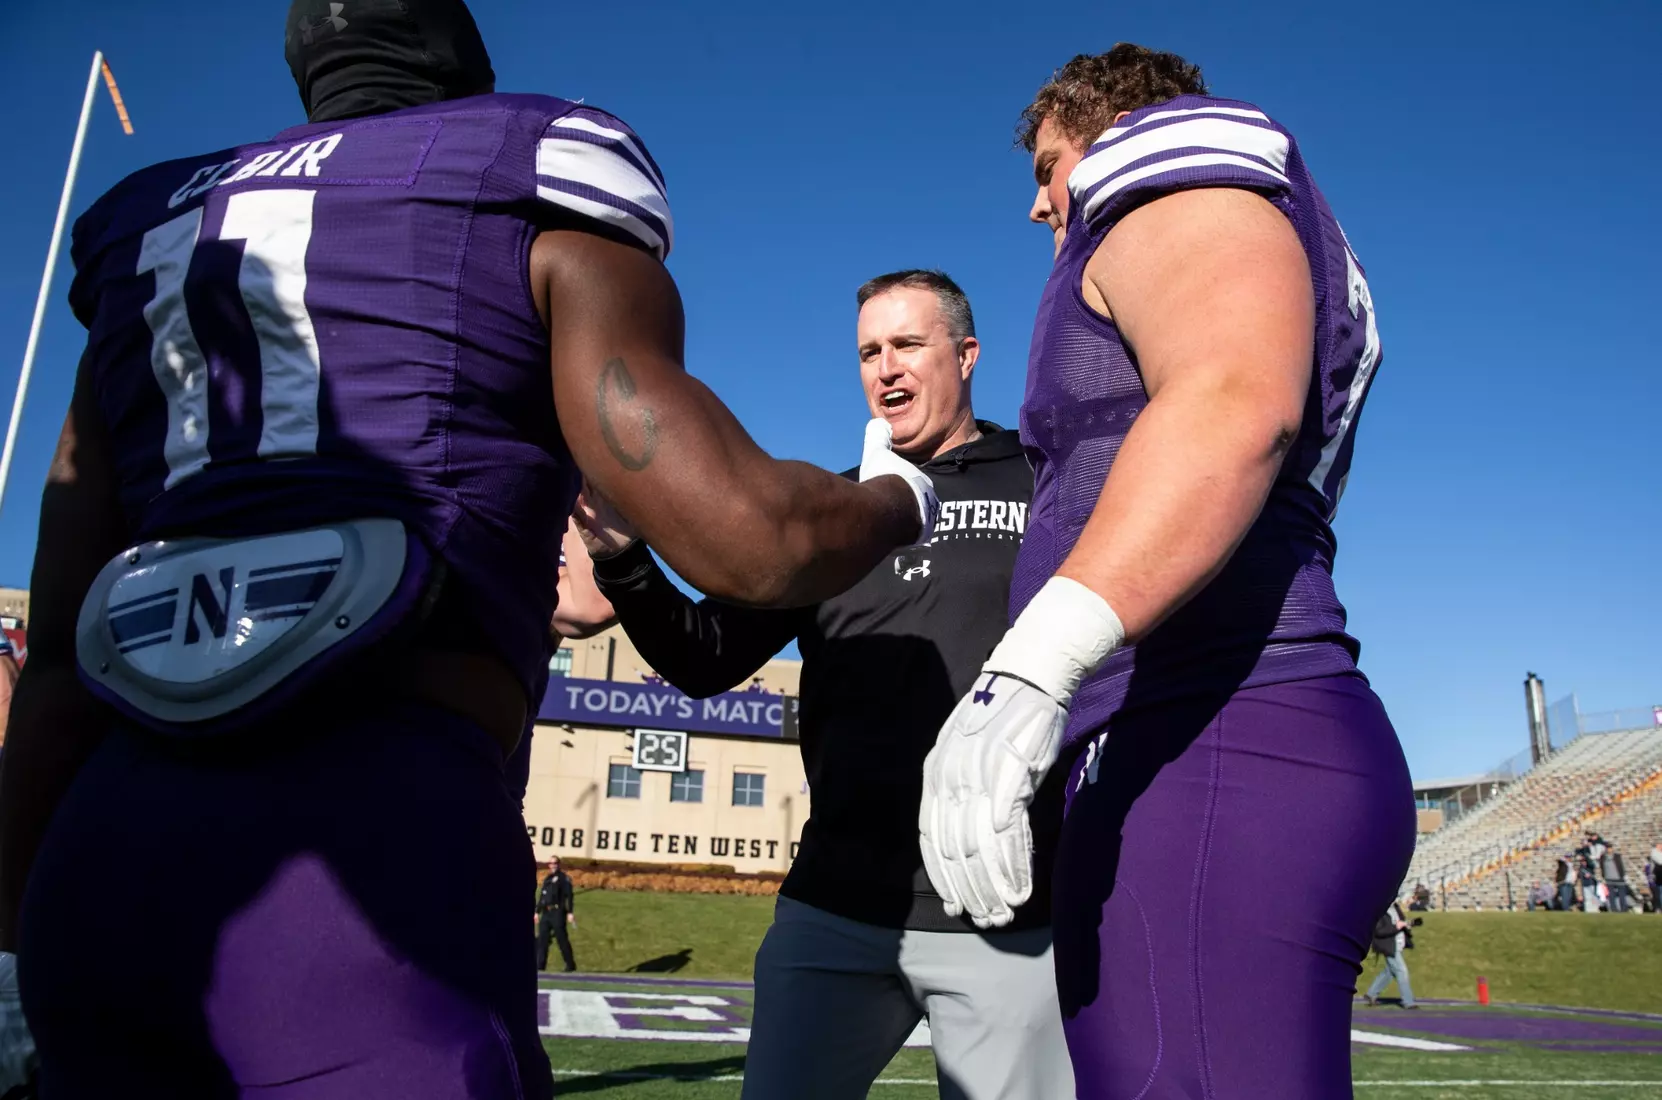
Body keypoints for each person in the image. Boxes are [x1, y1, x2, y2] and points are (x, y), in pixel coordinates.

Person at [0, 3, 939, 1097]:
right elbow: (755, 541)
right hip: (368, 864)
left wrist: (14, 952)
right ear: (464, 63)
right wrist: (893, 496)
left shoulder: (150, 244)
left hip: (103, 853)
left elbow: (63, 657)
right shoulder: (522, 180)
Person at [915, 44, 1414, 1098]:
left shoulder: (1170, 162)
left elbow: (1234, 394)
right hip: (1205, 738)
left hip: (1225, 729)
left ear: (1110, 127)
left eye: (1049, 167)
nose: (1041, 205)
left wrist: (1034, 663)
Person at [577, 271, 1073, 1100]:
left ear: (968, 354)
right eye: (869, 352)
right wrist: (623, 561)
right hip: (835, 905)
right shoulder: (836, 512)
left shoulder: (1043, 485)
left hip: (1002, 911)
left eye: (909, 344)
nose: (887, 369)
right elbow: (705, 658)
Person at [1361, 901, 1417, 1009]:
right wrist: (1396, 927)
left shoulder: (1396, 907)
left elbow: (1401, 922)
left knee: (1390, 971)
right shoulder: (1379, 910)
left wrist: (1407, 925)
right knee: (1401, 970)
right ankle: (1408, 1002)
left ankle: (1371, 994)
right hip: (1388, 946)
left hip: (1398, 944)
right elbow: (1379, 931)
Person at [535, 857, 577, 973]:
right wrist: (537, 912)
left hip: (558, 912)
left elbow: (569, 896)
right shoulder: (547, 879)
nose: (553, 865)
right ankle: (540, 965)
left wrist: (570, 912)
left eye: (555, 863)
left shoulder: (564, 879)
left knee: (561, 939)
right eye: (551, 863)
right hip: (546, 913)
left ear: (559, 864)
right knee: (542, 939)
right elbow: (543, 897)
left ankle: (570, 964)